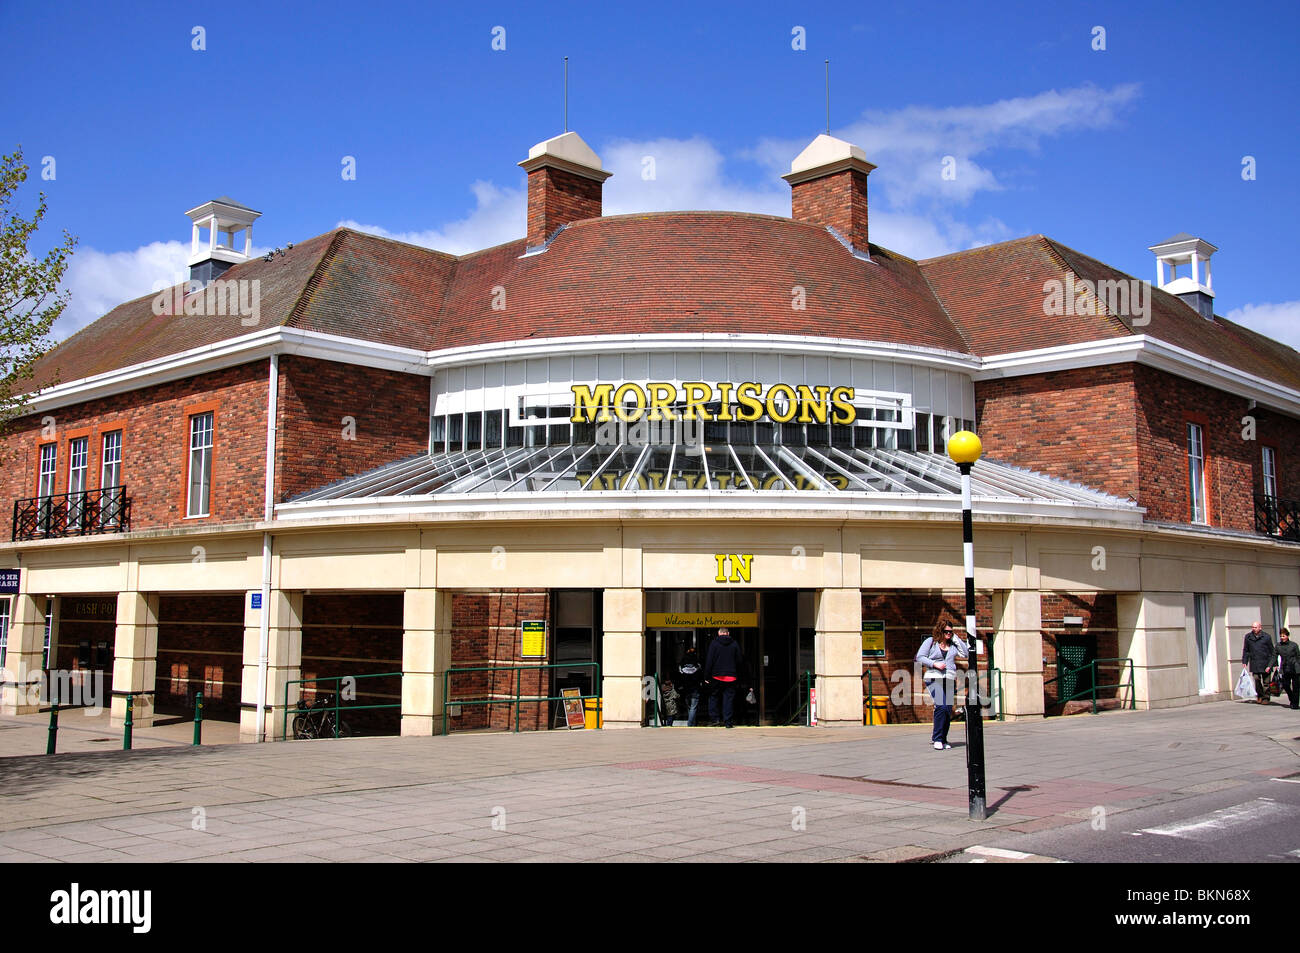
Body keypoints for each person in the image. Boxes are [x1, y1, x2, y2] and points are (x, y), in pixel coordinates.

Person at [916, 619, 968, 749]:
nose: (949, 634)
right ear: (940, 630)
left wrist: (955, 638)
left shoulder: (953, 645)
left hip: (949, 679)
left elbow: (965, 653)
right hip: (933, 678)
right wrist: (934, 664)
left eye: (951, 631)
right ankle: (937, 738)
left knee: (947, 709)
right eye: (946, 631)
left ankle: (944, 739)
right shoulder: (931, 642)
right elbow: (920, 657)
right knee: (941, 706)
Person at [704, 627, 744, 728]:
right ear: (728, 633)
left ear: (719, 634)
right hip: (731, 676)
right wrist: (738, 674)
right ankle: (728, 721)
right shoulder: (734, 643)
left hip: (716, 676)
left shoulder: (714, 643)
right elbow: (739, 661)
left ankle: (715, 719)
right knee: (728, 699)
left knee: (713, 697)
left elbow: (709, 661)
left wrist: (706, 676)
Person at [1241, 620, 1276, 706]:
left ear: (1260, 628)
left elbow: (1272, 651)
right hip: (1255, 661)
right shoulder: (1248, 637)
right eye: (1252, 627)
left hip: (1265, 662)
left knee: (1266, 682)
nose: (1254, 629)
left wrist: (1273, 664)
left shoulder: (1266, 637)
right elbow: (1246, 650)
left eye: (1255, 627)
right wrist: (1245, 660)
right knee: (1256, 679)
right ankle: (1259, 695)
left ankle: (1266, 698)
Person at [677, 647, 703, 726]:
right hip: (695, 687)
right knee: (693, 707)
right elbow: (700, 675)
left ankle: (692, 723)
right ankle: (691, 724)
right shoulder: (697, 663)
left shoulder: (682, 664)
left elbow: (679, 676)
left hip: (686, 688)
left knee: (689, 707)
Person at [1277, 628, 1298, 710]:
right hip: (1285, 668)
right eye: (1281, 636)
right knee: (1285, 685)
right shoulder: (1278, 646)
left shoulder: (1294, 645)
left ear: (1287, 636)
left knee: (1296, 686)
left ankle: (1295, 703)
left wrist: (1297, 664)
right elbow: (1274, 656)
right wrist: (1269, 666)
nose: (1282, 637)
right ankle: (1292, 698)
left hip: (1295, 668)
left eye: (1284, 636)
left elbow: (1298, 656)